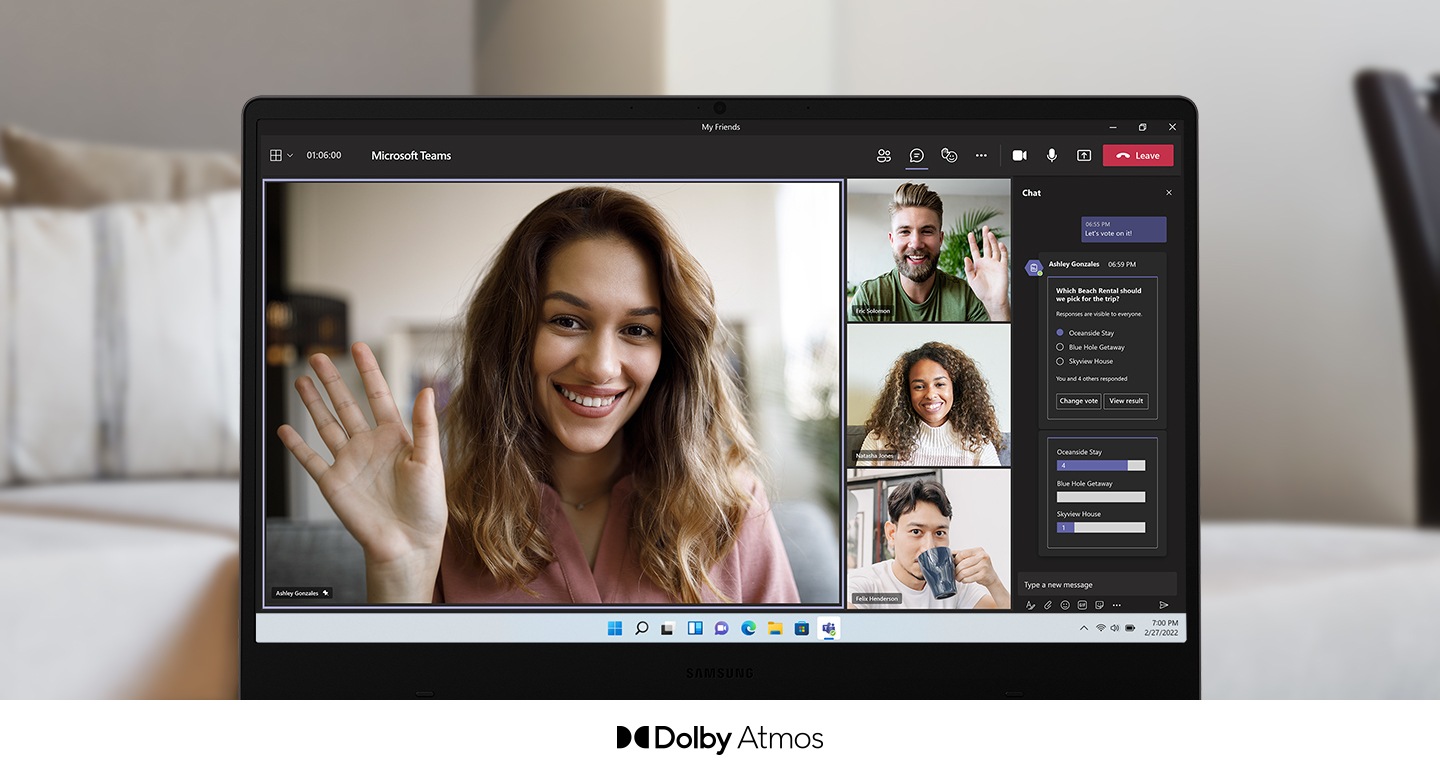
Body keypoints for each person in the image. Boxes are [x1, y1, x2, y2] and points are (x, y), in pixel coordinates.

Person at [277, 186, 799, 604]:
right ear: (514, 336)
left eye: (638, 330)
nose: (600, 366)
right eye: (567, 321)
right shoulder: (439, 520)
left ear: (671, 353)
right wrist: (400, 573)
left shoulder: (729, 506)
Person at [848, 182, 1010, 322]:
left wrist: (997, 306)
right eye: (905, 231)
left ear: (940, 238)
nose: (916, 243)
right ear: (892, 240)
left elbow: (1000, 353)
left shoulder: (964, 297)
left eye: (926, 231)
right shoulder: (870, 298)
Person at [847, 479, 1009, 609]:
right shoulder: (864, 585)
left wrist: (993, 582)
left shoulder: (957, 588)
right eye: (916, 531)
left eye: (939, 533)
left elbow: (1015, 624)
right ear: (891, 534)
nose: (929, 546)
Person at [855, 341, 1004, 467]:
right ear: (906, 392)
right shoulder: (879, 441)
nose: (930, 394)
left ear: (956, 388)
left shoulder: (979, 446)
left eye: (939, 384)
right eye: (919, 386)